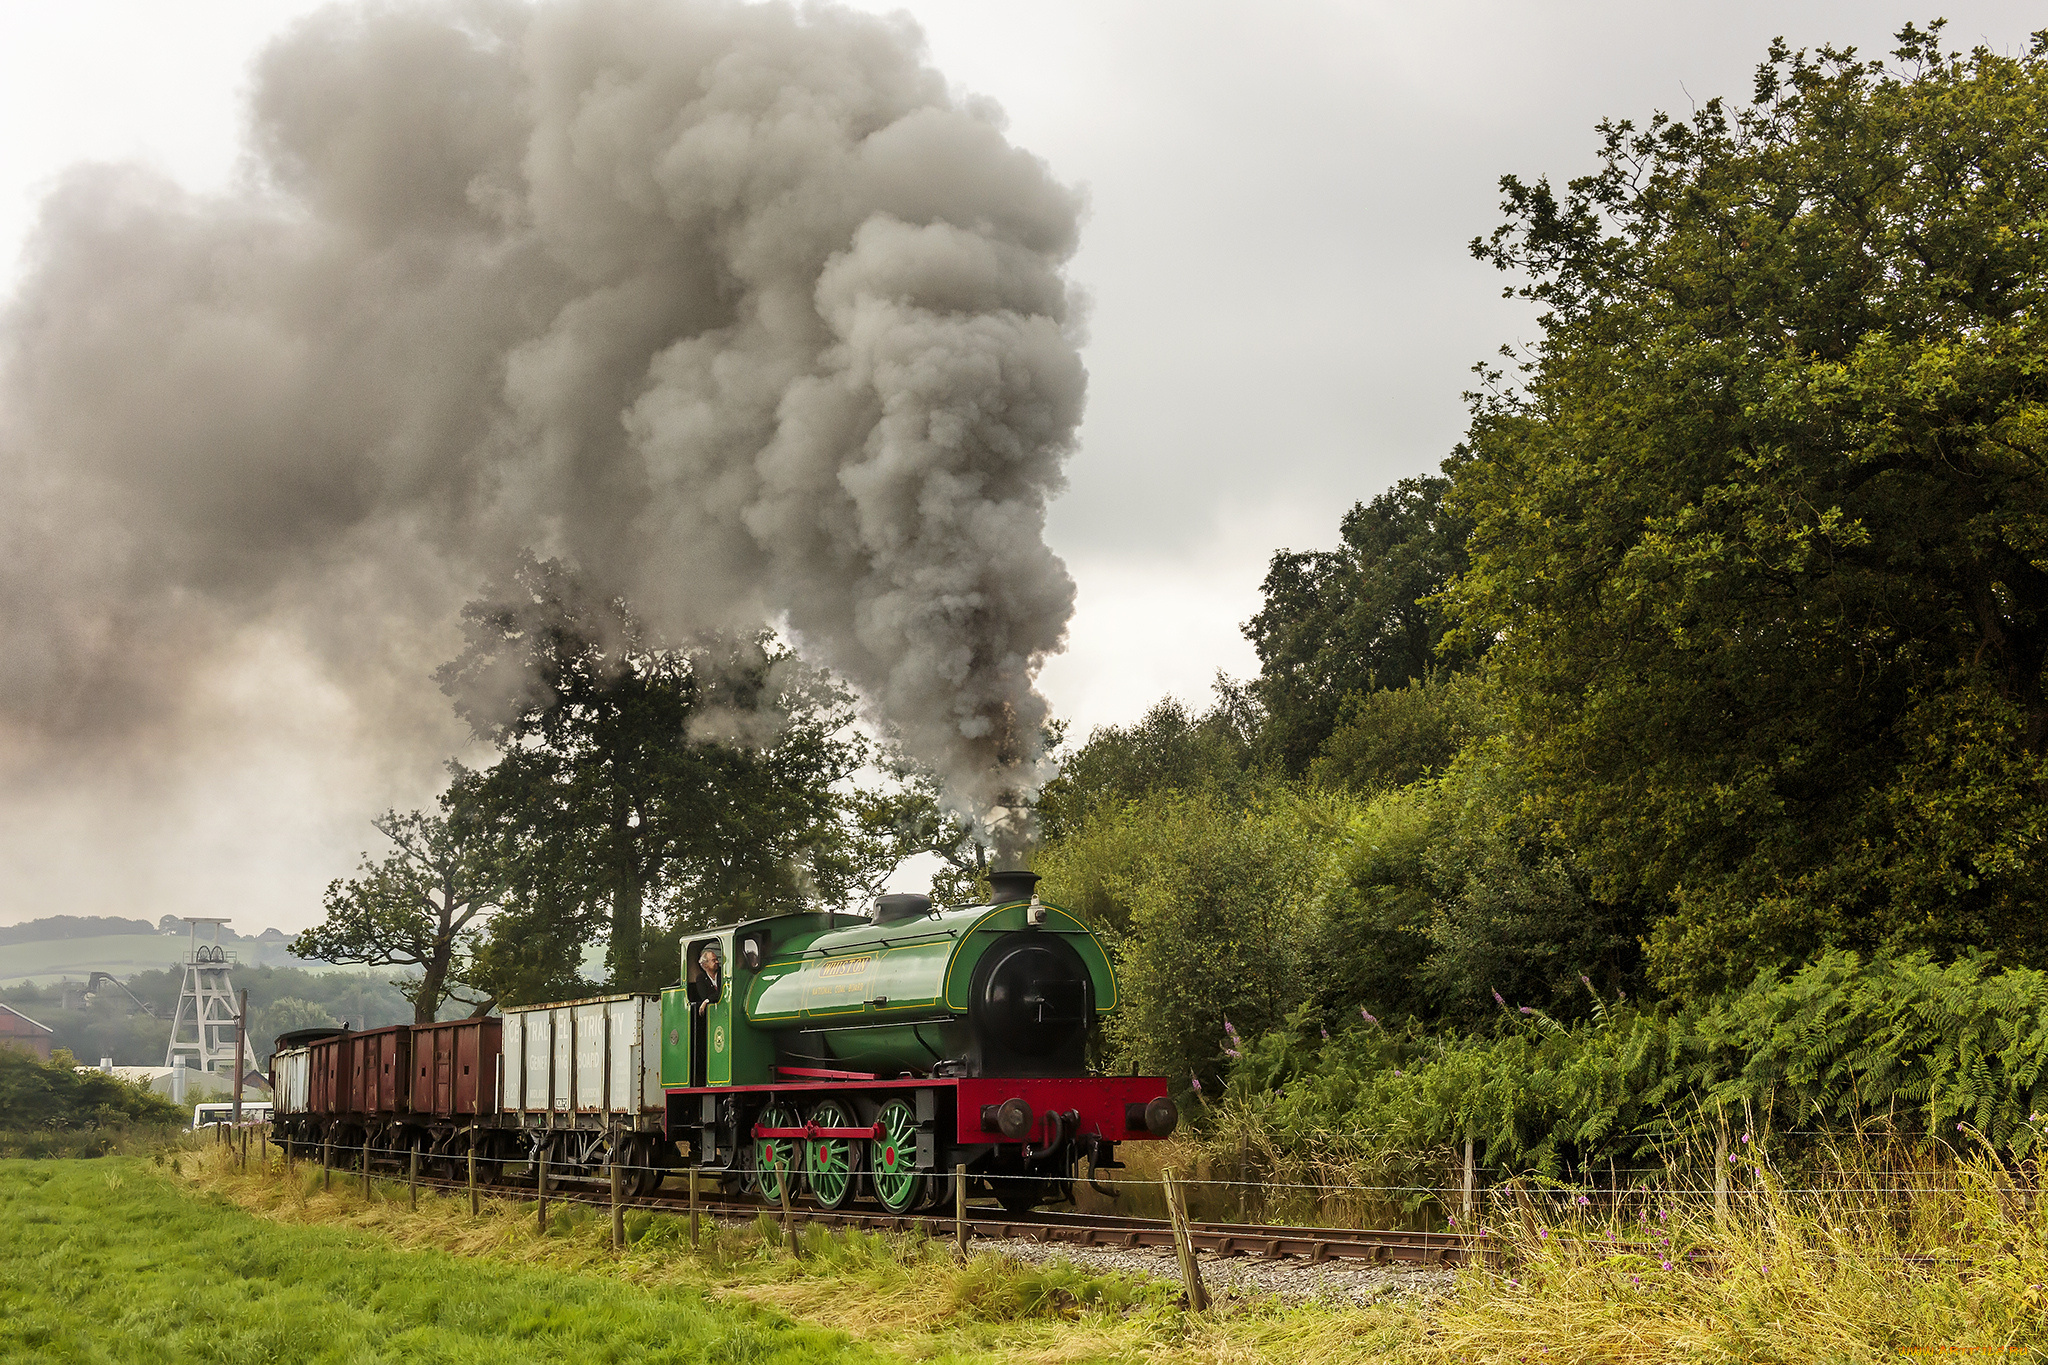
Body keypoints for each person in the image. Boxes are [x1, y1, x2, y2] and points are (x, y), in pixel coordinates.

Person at [688, 944, 723, 1015]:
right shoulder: (700, 978)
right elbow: (705, 996)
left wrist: (707, 1001)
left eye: (716, 959)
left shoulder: (723, 973)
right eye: (713, 960)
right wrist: (708, 1000)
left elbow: (722, 992)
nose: (717, 962)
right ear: (705, 965)